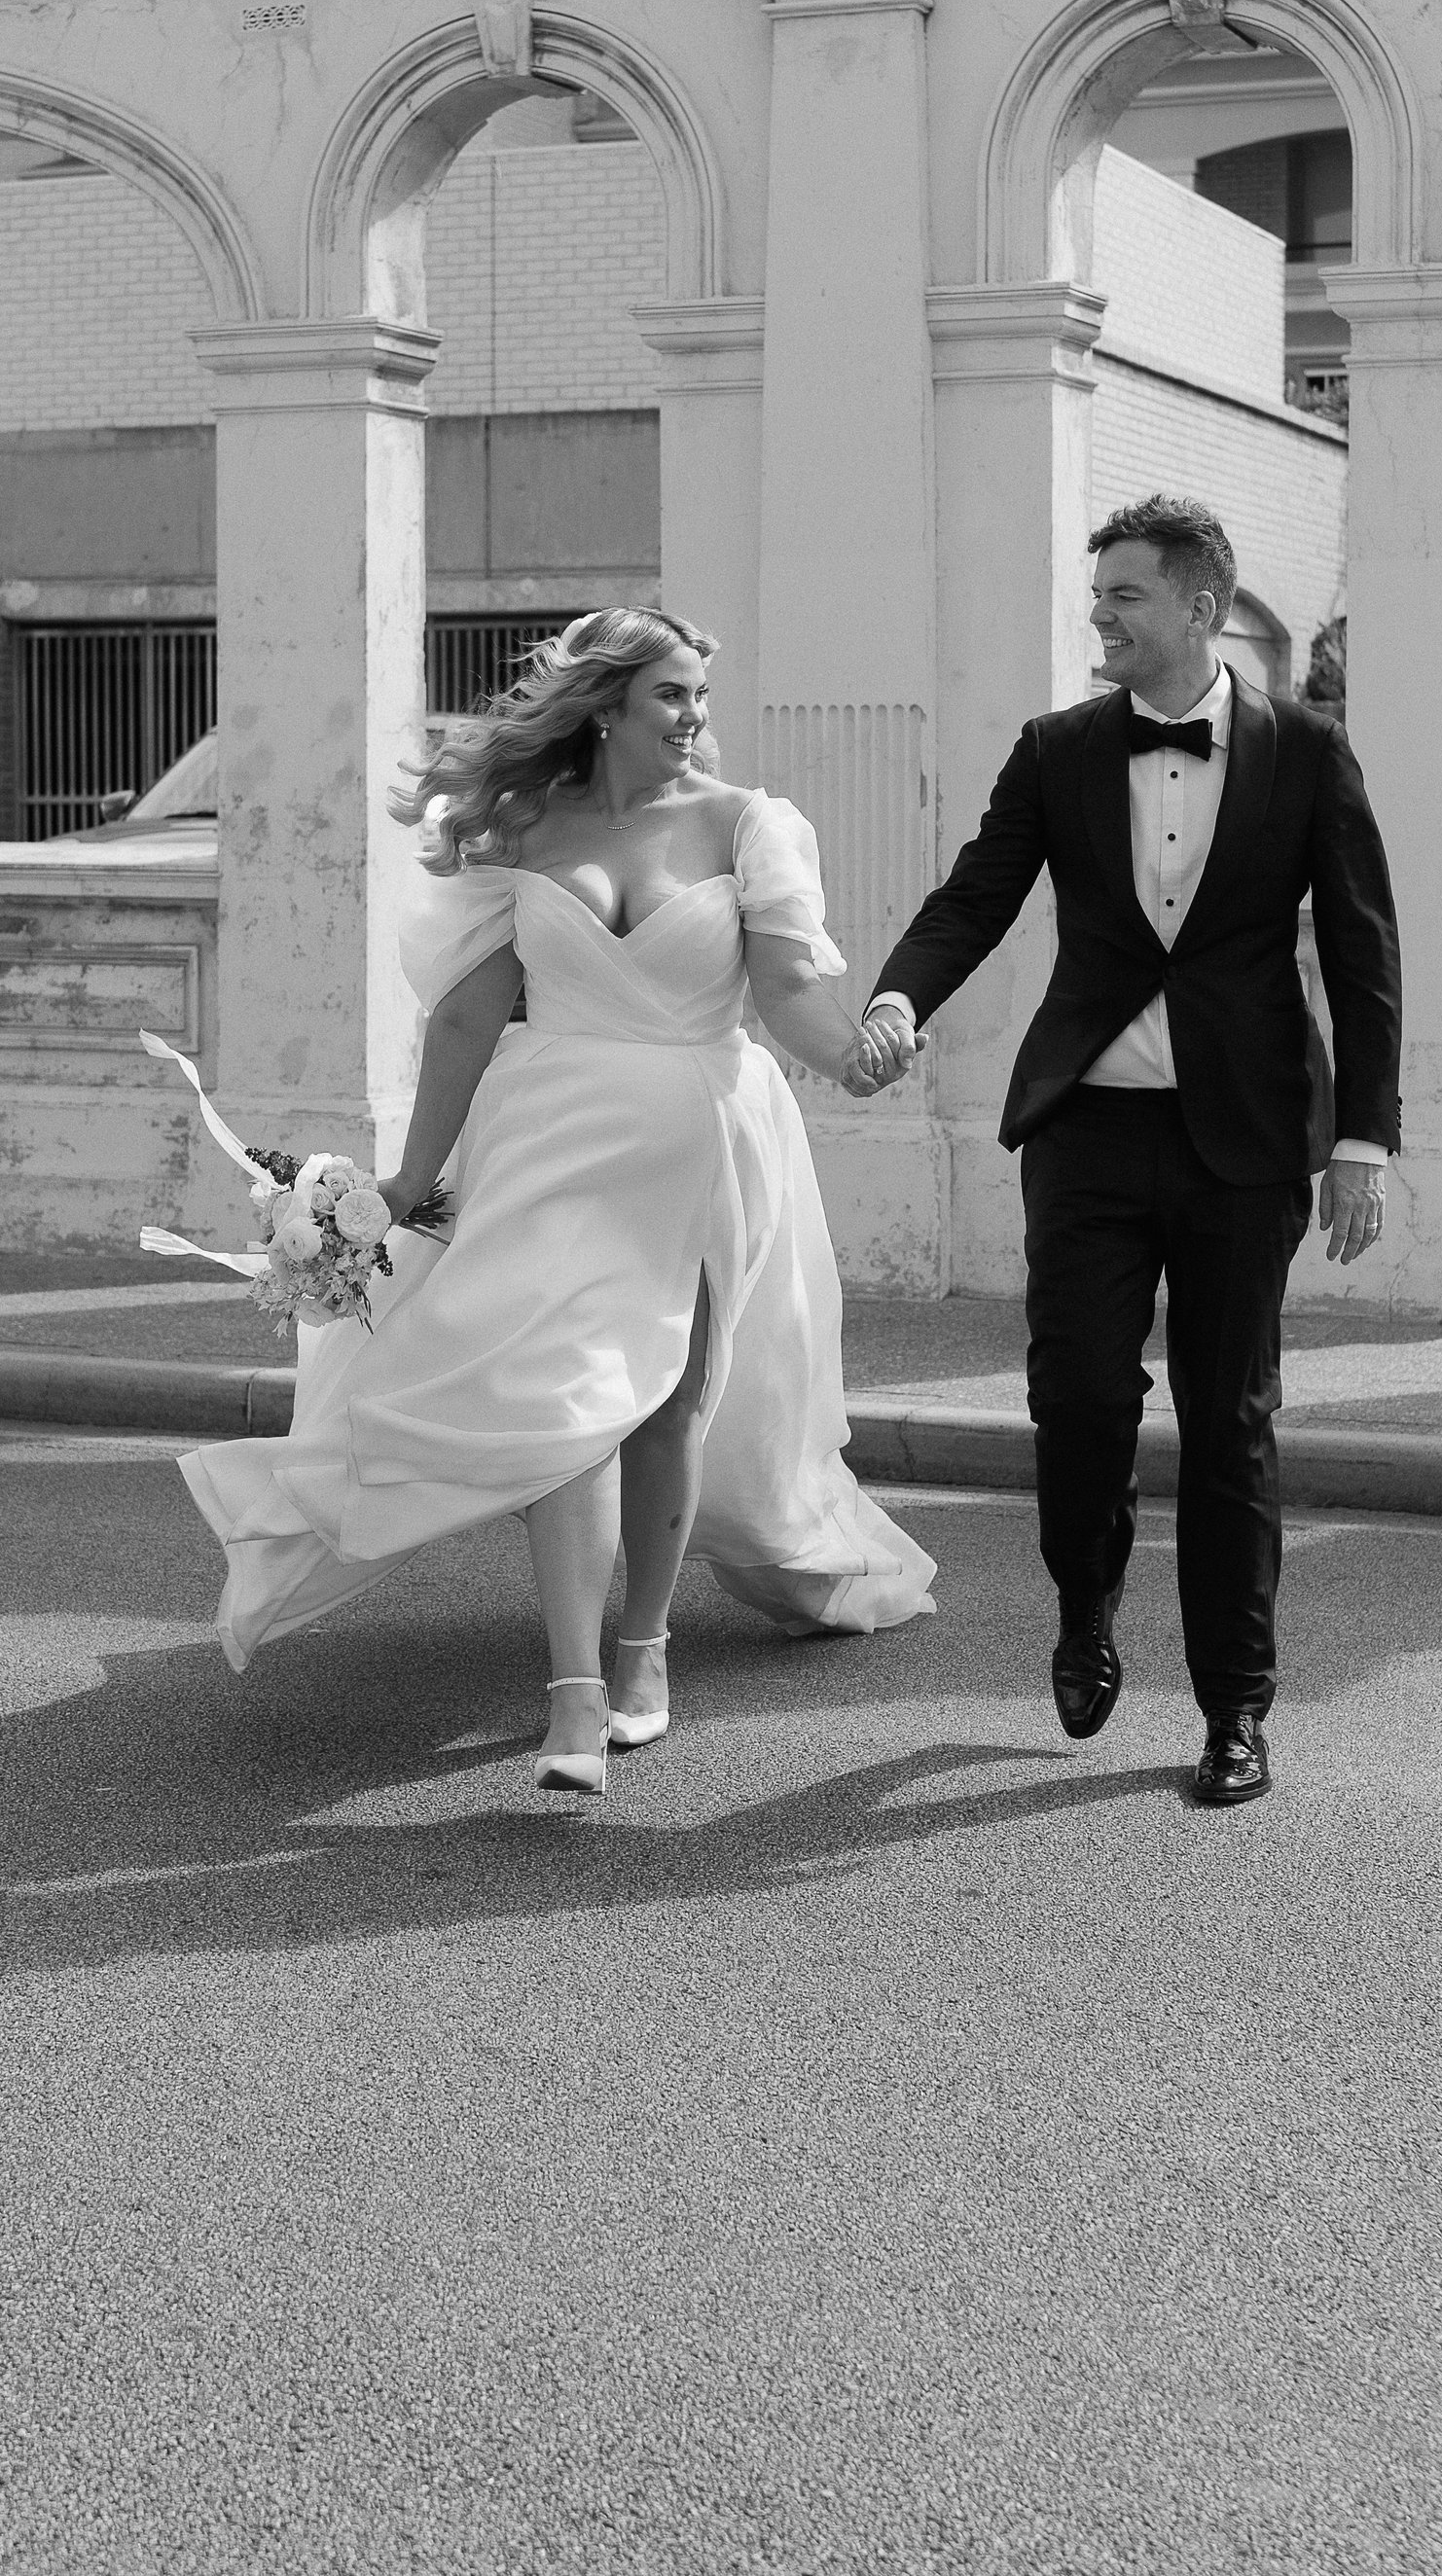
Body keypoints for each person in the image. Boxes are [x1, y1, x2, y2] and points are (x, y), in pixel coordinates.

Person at [177, 608, 935, 1798]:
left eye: (699, 696)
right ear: (605, 707)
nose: (695, 719)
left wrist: (853, 1059)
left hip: (699, 1137)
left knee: (667, 1405)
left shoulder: (748, 825)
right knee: (560, 1400)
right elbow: (468, 1019)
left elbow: (787, 993)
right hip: (547, 1137)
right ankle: (574, 1697)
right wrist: (409, 1185)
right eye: (671, 697)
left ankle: (645, 1659)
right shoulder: (523, 827)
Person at [851, 495, 1400, 1811]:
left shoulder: (1307, 752)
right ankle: (1086, 1598)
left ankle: (1234, 1709)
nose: (1099, 614)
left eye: (1123, 596)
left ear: (1200, 608)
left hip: (1247, 1141)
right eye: (1098, 594)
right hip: (1087, 1130)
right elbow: (976, 895)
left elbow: (1368, 948)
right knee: (1082, 1399)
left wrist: (1363, 1139)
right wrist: (896, 1000)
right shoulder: (1057, 750)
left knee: (1232, 1423)